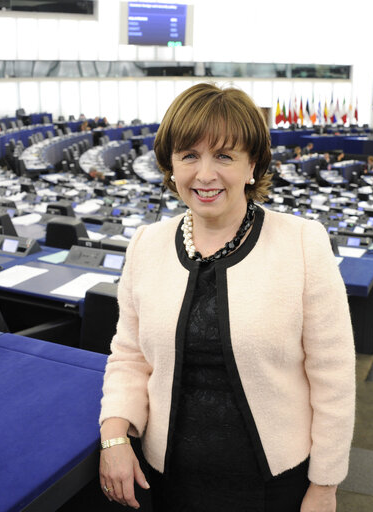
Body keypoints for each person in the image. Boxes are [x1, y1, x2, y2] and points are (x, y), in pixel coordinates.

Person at [98, 83, 356, 512]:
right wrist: (114, 435)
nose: (204, 174)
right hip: (165, 480)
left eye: (224, 155)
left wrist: (325, 485)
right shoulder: (145, 244)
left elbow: (333, 379)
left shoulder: (303, 244)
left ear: (252, 164)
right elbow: (129, 357)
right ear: (170, 166)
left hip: (272, 484)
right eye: (189, 156)